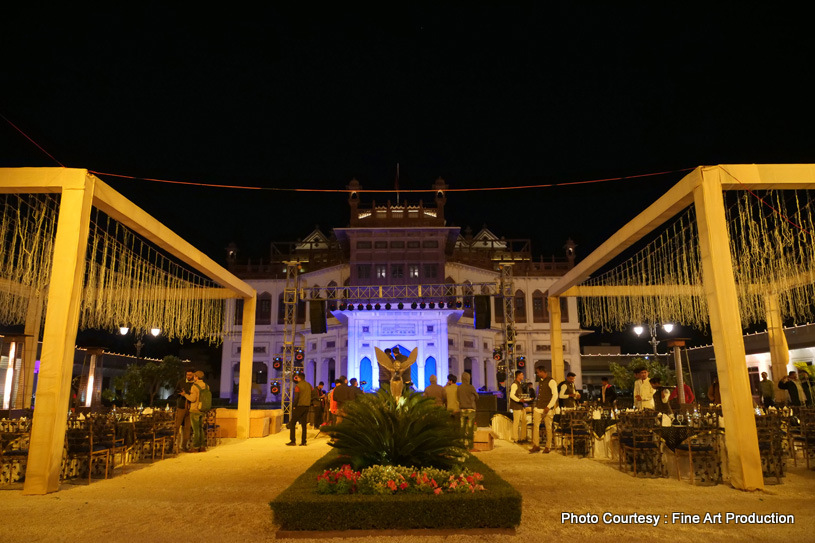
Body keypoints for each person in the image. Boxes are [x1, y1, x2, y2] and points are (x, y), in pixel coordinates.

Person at [530, 366, 558, 454]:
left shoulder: (551, 381)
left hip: (547, 409)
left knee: (548, 428)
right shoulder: (540, 381)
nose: (537, 374)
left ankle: (548, 446)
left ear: (542, 372)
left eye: (538, 372)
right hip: (538, 407)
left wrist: (548, 406)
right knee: (535, 426)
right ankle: (536, 445)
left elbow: (555, 395)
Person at [180, 370, 209, 452]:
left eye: (194, 376)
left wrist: (185, 394)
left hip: (195, 409)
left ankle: (196, 447)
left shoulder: (194, 386)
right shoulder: (206, 386)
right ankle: (202, 446)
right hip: (203, 409)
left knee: (196, 430)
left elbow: (193, 399)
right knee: (201, 428)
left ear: (196, 377)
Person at [287, 371, 312, 446]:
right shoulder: (309, 385)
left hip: (299, 406)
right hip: (307, 406)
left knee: (292, 422)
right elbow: (313, 394)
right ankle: (304, 441)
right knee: (304, 424)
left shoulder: (298, 386)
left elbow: (296, 397)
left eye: (297, 377)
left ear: (299, 378)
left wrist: (294, 405)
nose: (296, 378)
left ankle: (293, 441)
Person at [173, 369, 194, 452]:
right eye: (187, 375)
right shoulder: (181, 382)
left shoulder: (194, 384)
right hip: (181, 407)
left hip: (190, 408)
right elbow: (175, 393)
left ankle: (184, 446)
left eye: (190, 375)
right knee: (176, 426)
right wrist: (180, 394)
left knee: (187, 428)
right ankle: (173, 444)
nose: (188, 376)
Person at [457, 372, 479, 449]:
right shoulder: (471, 387)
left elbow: (458, 398)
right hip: (471, 409)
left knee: (462, 428)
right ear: (468, 378)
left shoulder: (459, 388)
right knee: (470, 429)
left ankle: (461, 445)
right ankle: (470, 445)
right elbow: (477, 396)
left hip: (462, 409)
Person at [509, 370, 529, 444]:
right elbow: (511, 395)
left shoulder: (519, 384)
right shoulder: (514, 384)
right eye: (522, 375)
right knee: (516, 422)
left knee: (524, 421)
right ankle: (515, 438)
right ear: (518, 376)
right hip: (516, 406)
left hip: (521, 406)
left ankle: (523, 437)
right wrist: (519, 400)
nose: (523, 376)